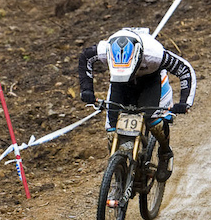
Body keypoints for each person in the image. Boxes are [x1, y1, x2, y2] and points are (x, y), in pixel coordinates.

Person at [77, 27, 196, 182]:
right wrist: (87, 90)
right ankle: (117, 179)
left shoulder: (155, 54)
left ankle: (165, 153)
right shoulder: (105, 49)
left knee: (153, 121)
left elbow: (185, 70)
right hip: (119, 84)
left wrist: (184, 103)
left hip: (150, 81)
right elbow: (85, 57)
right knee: (112, 133)